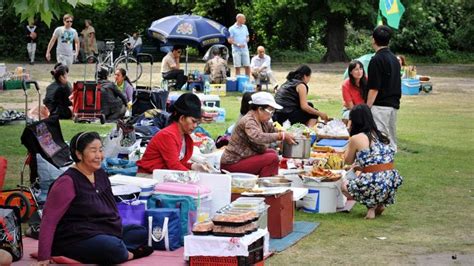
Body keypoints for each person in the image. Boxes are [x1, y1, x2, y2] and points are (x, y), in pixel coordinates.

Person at [37, 132, 153, 264]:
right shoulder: (67, 182)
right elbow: (49, 220)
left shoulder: (100, 173)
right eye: (93, 151)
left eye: (100, 150)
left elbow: (111, 207)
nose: (99, 156)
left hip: (104, 230)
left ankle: (120, 251)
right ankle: (128, 253)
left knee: (140, 231)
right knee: (111, 247)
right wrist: (43, 256)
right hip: (76, 237)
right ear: (79, 154)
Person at [341, 104, 403, 219]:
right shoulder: (381, 135)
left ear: (354, 121)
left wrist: (347, 144)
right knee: (366, 174)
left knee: (343, 185)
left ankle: (371, 209)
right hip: (390, 181)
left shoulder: (357, 138)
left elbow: (347, 161)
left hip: (375, 183)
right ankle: (379, 204)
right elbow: (377, 162)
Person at [220, 92, 296, 177]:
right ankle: (266, 184)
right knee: (272, 158)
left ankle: (266, 179)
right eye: (270, 111)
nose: (271, 115)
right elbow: (258, 137)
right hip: (232, 164)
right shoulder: (249, 121)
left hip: (244, 158)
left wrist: (285, 133)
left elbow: (272, 129)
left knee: (272, 153)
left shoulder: (261, 120)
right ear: (260, 109)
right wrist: (280, 136)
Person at [137, 93, 209, 174]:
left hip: (162, 174)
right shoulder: (168, 135)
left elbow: (178, 163)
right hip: (148, 176)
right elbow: (174, 166)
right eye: (193, 121)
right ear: (182, 118)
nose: (195, 126)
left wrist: (193, 166)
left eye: (197, 123)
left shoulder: (184, 136)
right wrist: (193, 174)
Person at [366, 25, 401, 151]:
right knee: (390, 141)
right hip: (393, 105)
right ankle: (389, 169)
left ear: (373, 40)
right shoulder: (395, 59)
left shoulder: (376, 60)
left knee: (380, 141)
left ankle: (382, 169)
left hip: (380, 106)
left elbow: (374, 88)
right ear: (389, 41)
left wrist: (367, 107)